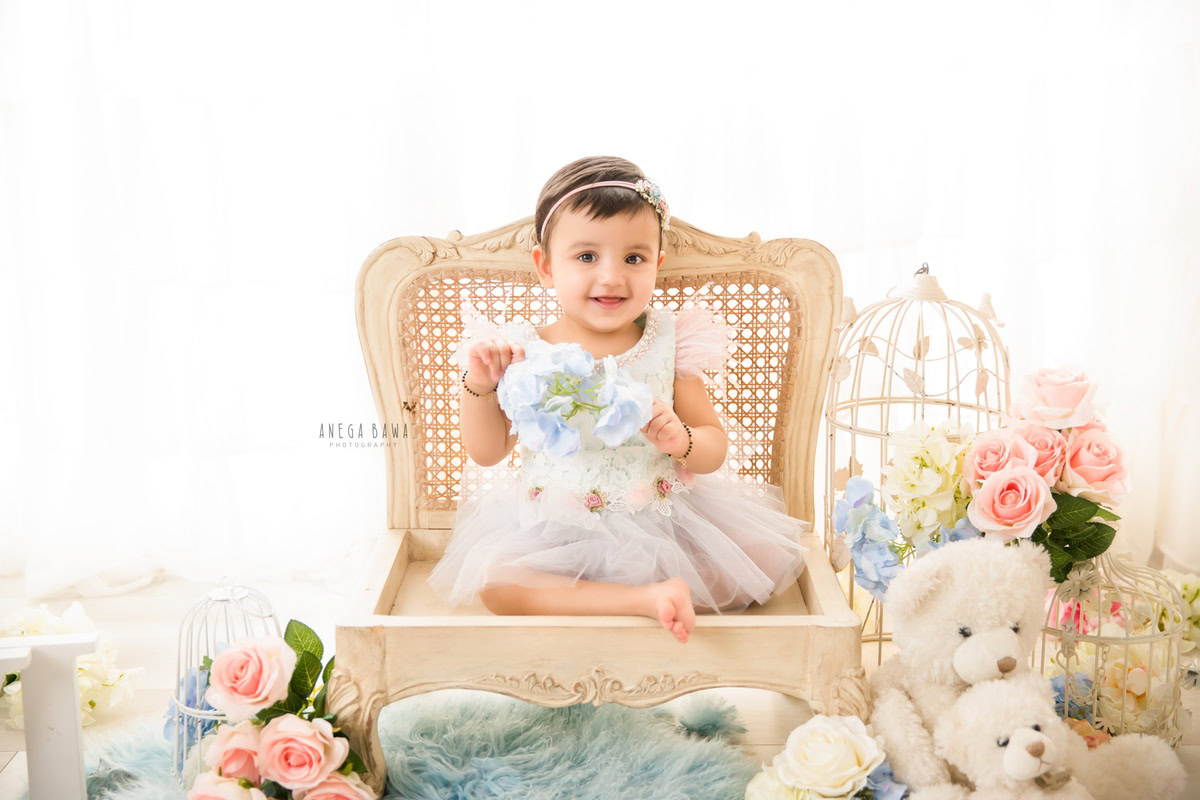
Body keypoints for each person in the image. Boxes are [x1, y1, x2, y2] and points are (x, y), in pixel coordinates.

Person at [428, 155, 809, 644]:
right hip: (554, 531)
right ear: (546, 267)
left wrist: (682, 439)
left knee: (763, 557)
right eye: (587, 257)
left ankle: (633, 592)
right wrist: (481, 386)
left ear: (657, 264)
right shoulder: (521, 350)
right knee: (497, 583)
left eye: (634, 258)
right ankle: (643, 599)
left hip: (664, 522)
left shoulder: (669, 340)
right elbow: (487, 452)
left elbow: (713, 448)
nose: (611, 277)